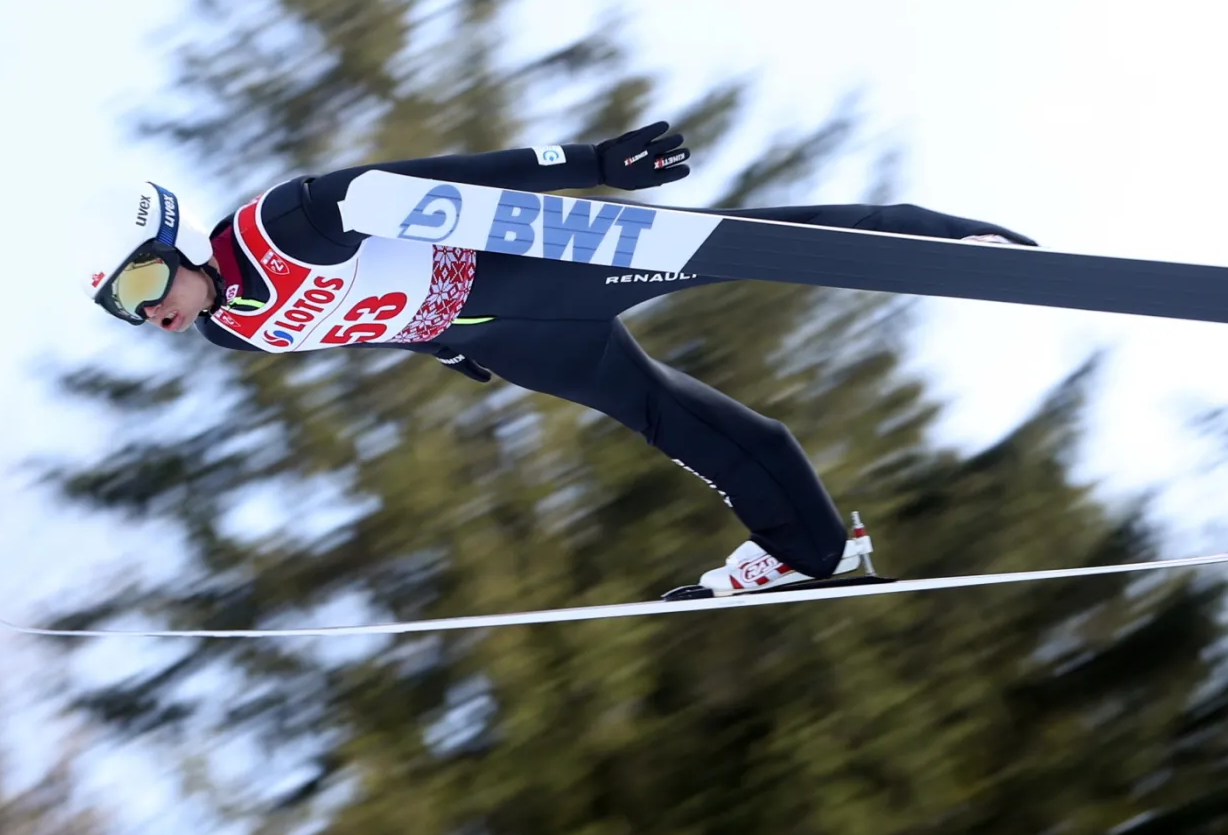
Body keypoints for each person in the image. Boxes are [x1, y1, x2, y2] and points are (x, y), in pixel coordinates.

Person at [85, 122, 1037, 598]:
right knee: (668, 414)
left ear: (168, 245)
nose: (149, 318)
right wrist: (440, 348)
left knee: (733, 244)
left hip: (535, 273)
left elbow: (435, 182)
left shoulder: (282, 223)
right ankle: (812, 551)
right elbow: (353, 319)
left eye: (139, 292)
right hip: (500, 334)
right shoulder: (233, 328)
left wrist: (592, 163)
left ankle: (941, 242)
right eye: (126, 314)